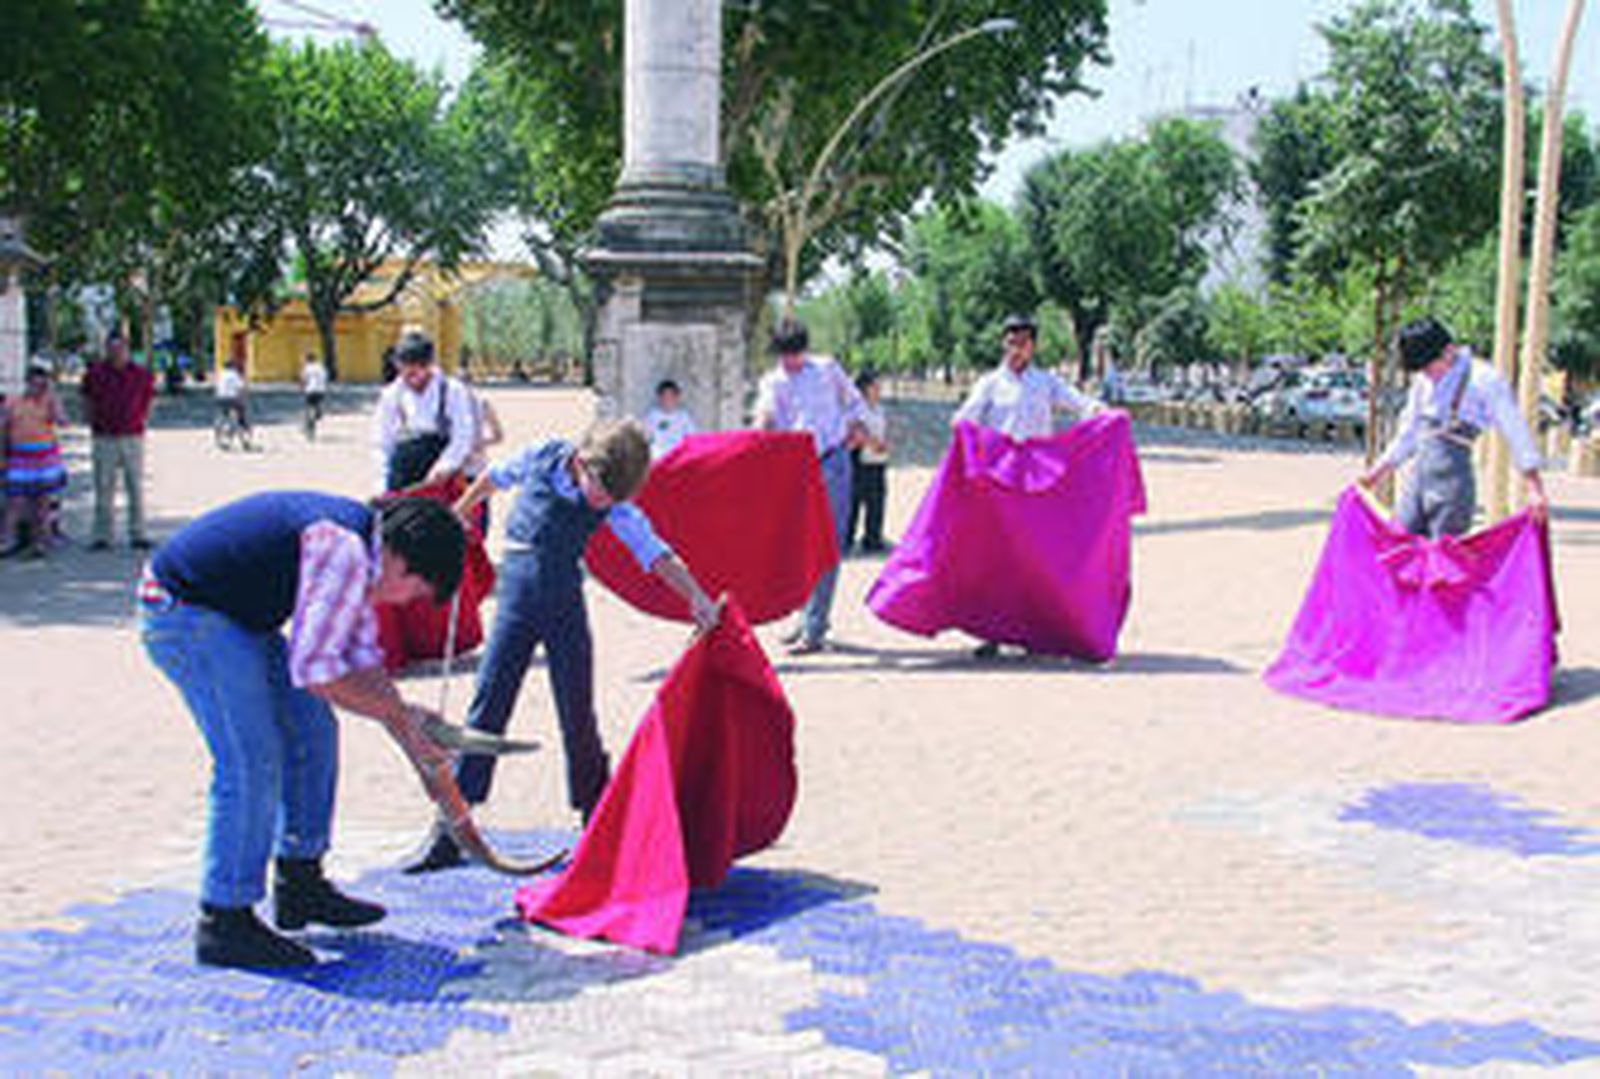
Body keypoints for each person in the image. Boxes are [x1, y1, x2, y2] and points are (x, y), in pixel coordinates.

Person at [139, 493, 468, 969]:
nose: (406, 602)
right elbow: (317, 673)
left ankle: (300, 881)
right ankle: (224, 919)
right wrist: (400, 717)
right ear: (401, 563)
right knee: (251, 758)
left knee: (312, 729)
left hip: (236, 617)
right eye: (415, 592)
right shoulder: (344, 551)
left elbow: (359, 662)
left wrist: (408, 730)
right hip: (185, 612)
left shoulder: (366, 553)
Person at [405, 418, 721, 872]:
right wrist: (459, 512)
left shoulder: (614, 501)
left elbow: (655, 552)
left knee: (577, 711)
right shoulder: (542, 455)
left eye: (614, 499)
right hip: (514, 600)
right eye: (601, 490)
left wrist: (697, 597)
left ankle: (597, 823)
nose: (604, 502)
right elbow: (495, 477)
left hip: (563, 603)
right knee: (487, 706)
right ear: (582, 462)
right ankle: (452, 828)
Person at [952, 313, 1104, 657]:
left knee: (1035, 559)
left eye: (1023, 342)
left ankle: (1034, 632)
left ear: (1033, 346)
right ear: (1003, 344)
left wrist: (1102, 412)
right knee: (996, 558)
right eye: (1010, 341)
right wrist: (963, 428)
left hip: (1036, 482)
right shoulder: (989, 383)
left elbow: (1079, 403)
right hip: (999, 482)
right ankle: (991, 632)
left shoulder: (1046, 382)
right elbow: (965, 418)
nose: (1016, 348)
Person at [1359, 317, 1547, 538]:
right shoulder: (1422, 382)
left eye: (1429, 367)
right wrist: (1375, 474)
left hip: (1453, 486)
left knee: (1444, 559)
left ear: (1448, 351)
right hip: (1418, 480)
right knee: (1399, 543)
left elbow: (1514, 429)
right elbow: (1408, 434)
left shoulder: (1484, 379)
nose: (1427, 374)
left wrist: (1534, 486)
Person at [754, 317, 868, 654]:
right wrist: (761, 427)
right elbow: (765, 416)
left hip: (832, 460)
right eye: (786, 355)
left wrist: (857, 425)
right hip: (794, 467)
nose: (793, 360)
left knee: (827, 542)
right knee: (798, 544)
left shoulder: (827, 369)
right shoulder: (772, 382)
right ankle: (804, 615)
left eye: (797, 353)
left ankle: (816, 627)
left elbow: (854, 401)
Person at [372, 331, 476, 493]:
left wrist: (445, 465)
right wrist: (382, 481)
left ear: (429, 365)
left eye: (416, 372)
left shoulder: (451, 390)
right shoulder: (391, 394)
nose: (410, 378)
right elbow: (382, 441)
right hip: (404, 471)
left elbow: (463, 433)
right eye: (404, 371)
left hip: (442, 470)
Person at [80, 330, 156, 550]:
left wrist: (141, 421)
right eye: (112, 349)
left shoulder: (141, 374)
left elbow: (149, 399)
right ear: (106, 349)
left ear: (127, 350)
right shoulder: (95, 373)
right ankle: (103, 536)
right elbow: (86, 399)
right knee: (103, 487)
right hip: (104, 437)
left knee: (135, 486)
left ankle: (138, 533)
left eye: (120, 349)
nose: (116, 353)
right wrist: (91, 423)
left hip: (132, 436)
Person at [2, 362, 69, 559]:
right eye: (34, 384)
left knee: (42, 502)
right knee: (14, 501)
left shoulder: (49, 402)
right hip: (20, 457)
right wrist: (3, 457)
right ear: (27, 383)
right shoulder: (13, 403)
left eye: (42, 385)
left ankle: (39, 541)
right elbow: (4, 429)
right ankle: (7, 540)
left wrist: (53, 397)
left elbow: (63, 421)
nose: (37, 389)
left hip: (45, 457)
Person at [847, 368, 891, 553]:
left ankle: (872, 538)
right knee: (854, 501)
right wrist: (872, 442)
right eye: (875, 385)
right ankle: (846, 538)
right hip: (859, 458)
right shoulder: (857, 408)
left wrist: (885, 443)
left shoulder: (879, 409)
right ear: (865, 388)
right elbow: (856, 429)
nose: (879, 389)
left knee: (877, 499)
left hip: (878, 459)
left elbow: (884, 429)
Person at [645, 378, 698, 459]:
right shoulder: (652, 416)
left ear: (677, 397)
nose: (668, 400)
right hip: (659, 455)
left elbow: (692, 438)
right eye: (665, 396)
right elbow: (646, 438)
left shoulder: (684, 417)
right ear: (659, 397)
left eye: (671, 396)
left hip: (679, 455)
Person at [214, 357, 251, 446]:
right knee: (240, 413)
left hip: (220, 398)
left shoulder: (220, 374)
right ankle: (243, 430)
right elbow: (241, 387)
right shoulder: (235, 375)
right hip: (232, 399)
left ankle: (219, 434)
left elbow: (218, 387)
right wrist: (244, 395)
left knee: (223, 414)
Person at [302, 352, 329, 438]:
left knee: (309, 409)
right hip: (320, 390)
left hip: (310, 390)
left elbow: (304, 379)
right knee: (316, 407)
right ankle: (318, 413)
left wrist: (303, 387)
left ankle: (309, 426)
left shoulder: (307, 368)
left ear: (308, 360)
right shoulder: (321, 367)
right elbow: (325, 378)